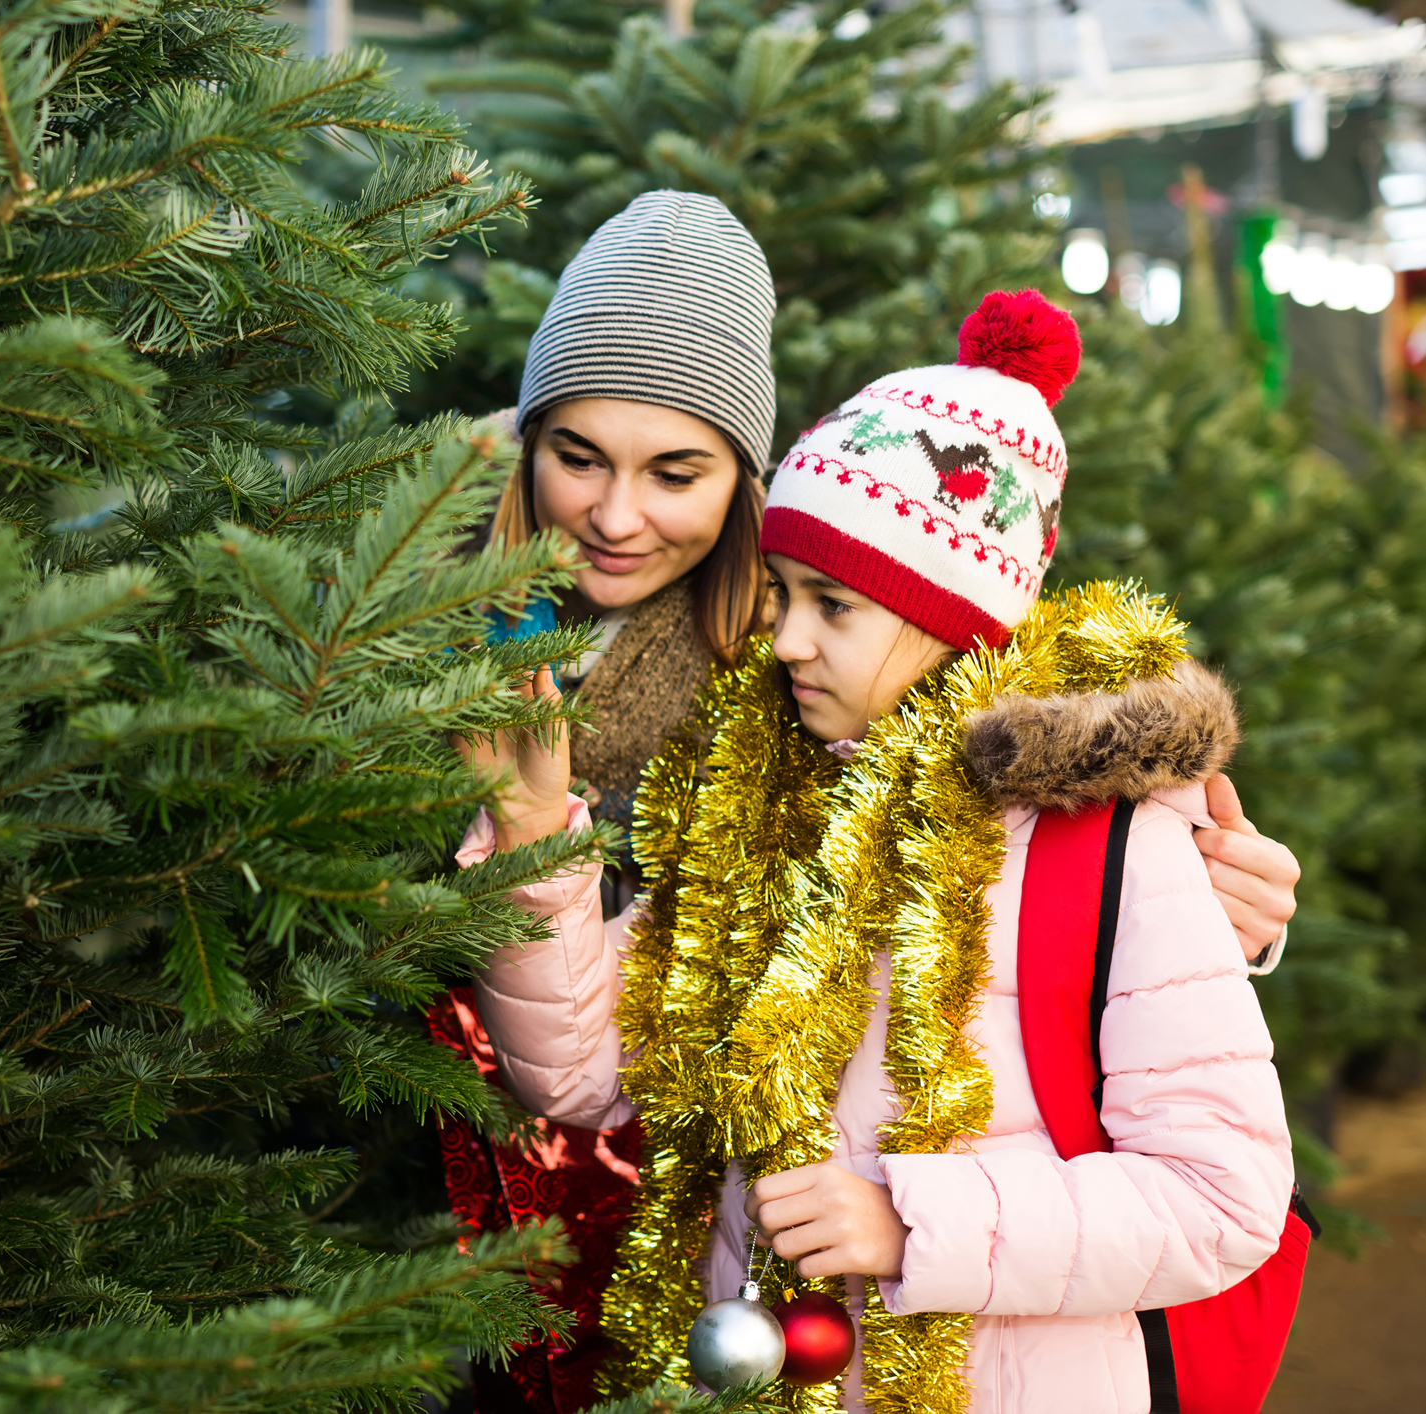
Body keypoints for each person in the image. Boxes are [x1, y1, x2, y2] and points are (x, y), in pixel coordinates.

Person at [430, 192, 1298, 1414]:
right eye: (784, 595)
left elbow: (1219, 1193)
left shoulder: (1099, 836)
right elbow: (583, 1074)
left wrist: (908, 1216)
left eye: (830, 606)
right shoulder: (763, 795)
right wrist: (530, 836)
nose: (782, 640)